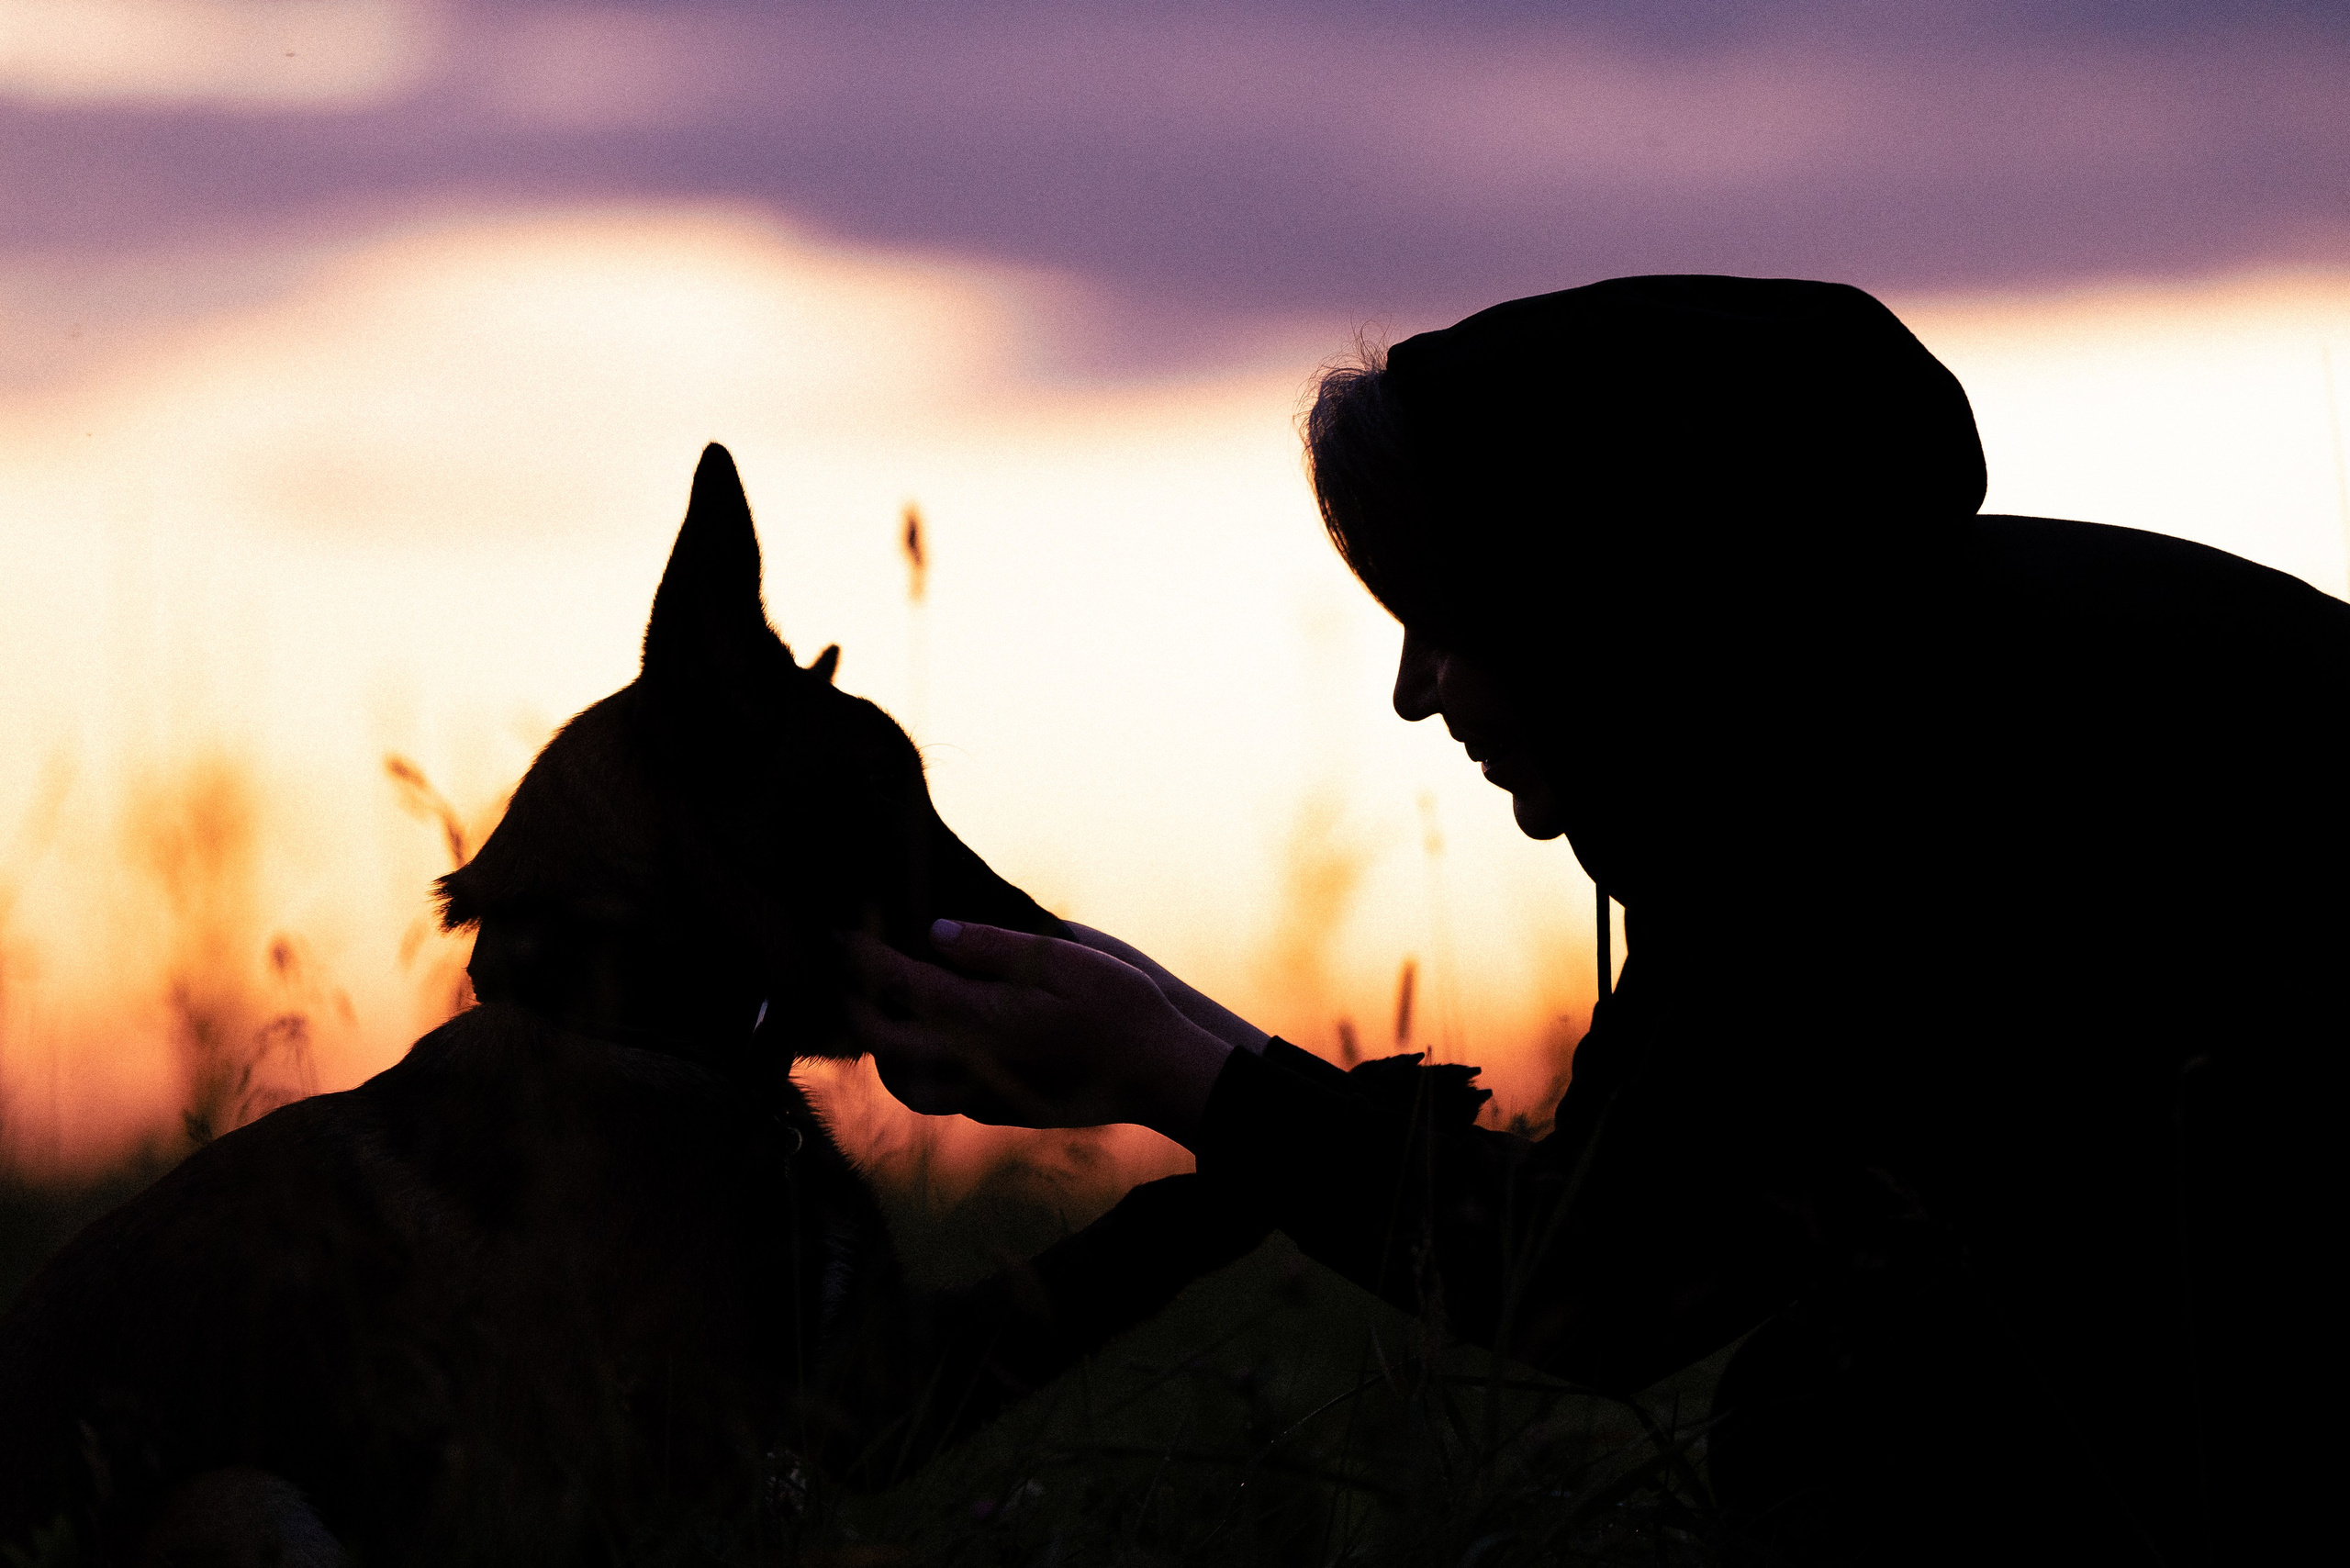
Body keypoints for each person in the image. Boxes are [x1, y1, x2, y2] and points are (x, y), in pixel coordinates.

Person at [843, 276, 2347, 1564]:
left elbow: (1607, 1295)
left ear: (1601, 593)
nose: (1414, 690)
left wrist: (1182, 1079)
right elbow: (1609, 1220)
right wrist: (1183, 1043)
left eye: (1448, 618)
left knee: (1860, 1419)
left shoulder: (1890, 787)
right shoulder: (1873, 691)